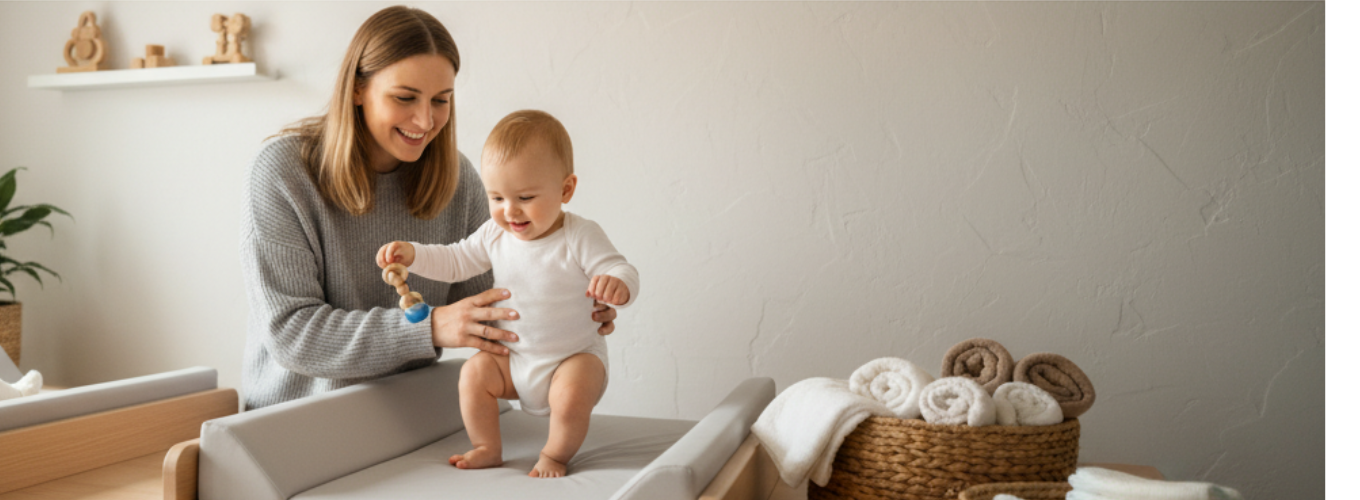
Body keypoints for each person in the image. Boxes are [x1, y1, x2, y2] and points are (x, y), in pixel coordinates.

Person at [239, 6, 617, 411]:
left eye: (441, 100)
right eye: (405, 98)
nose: (425, 119)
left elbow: (494, 309)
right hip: (293, 422)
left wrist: (567, 314)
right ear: (357, 89)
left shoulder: (458, 179)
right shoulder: (283, 172)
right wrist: (430, 326)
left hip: (406, 415)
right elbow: (292, 335)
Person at [376, 110, 638, 478]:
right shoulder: (495, 234)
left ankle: (555, 455)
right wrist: (415, 254)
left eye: (525, 197)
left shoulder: (579, 235)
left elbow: (621, 268)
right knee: (473, 374)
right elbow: (456, 259)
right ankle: (487, 446)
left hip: (573, 358)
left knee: (571, 398)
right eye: (496, 197)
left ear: (566, 189)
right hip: (513, 360)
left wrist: (617, 285)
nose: (509, 210)